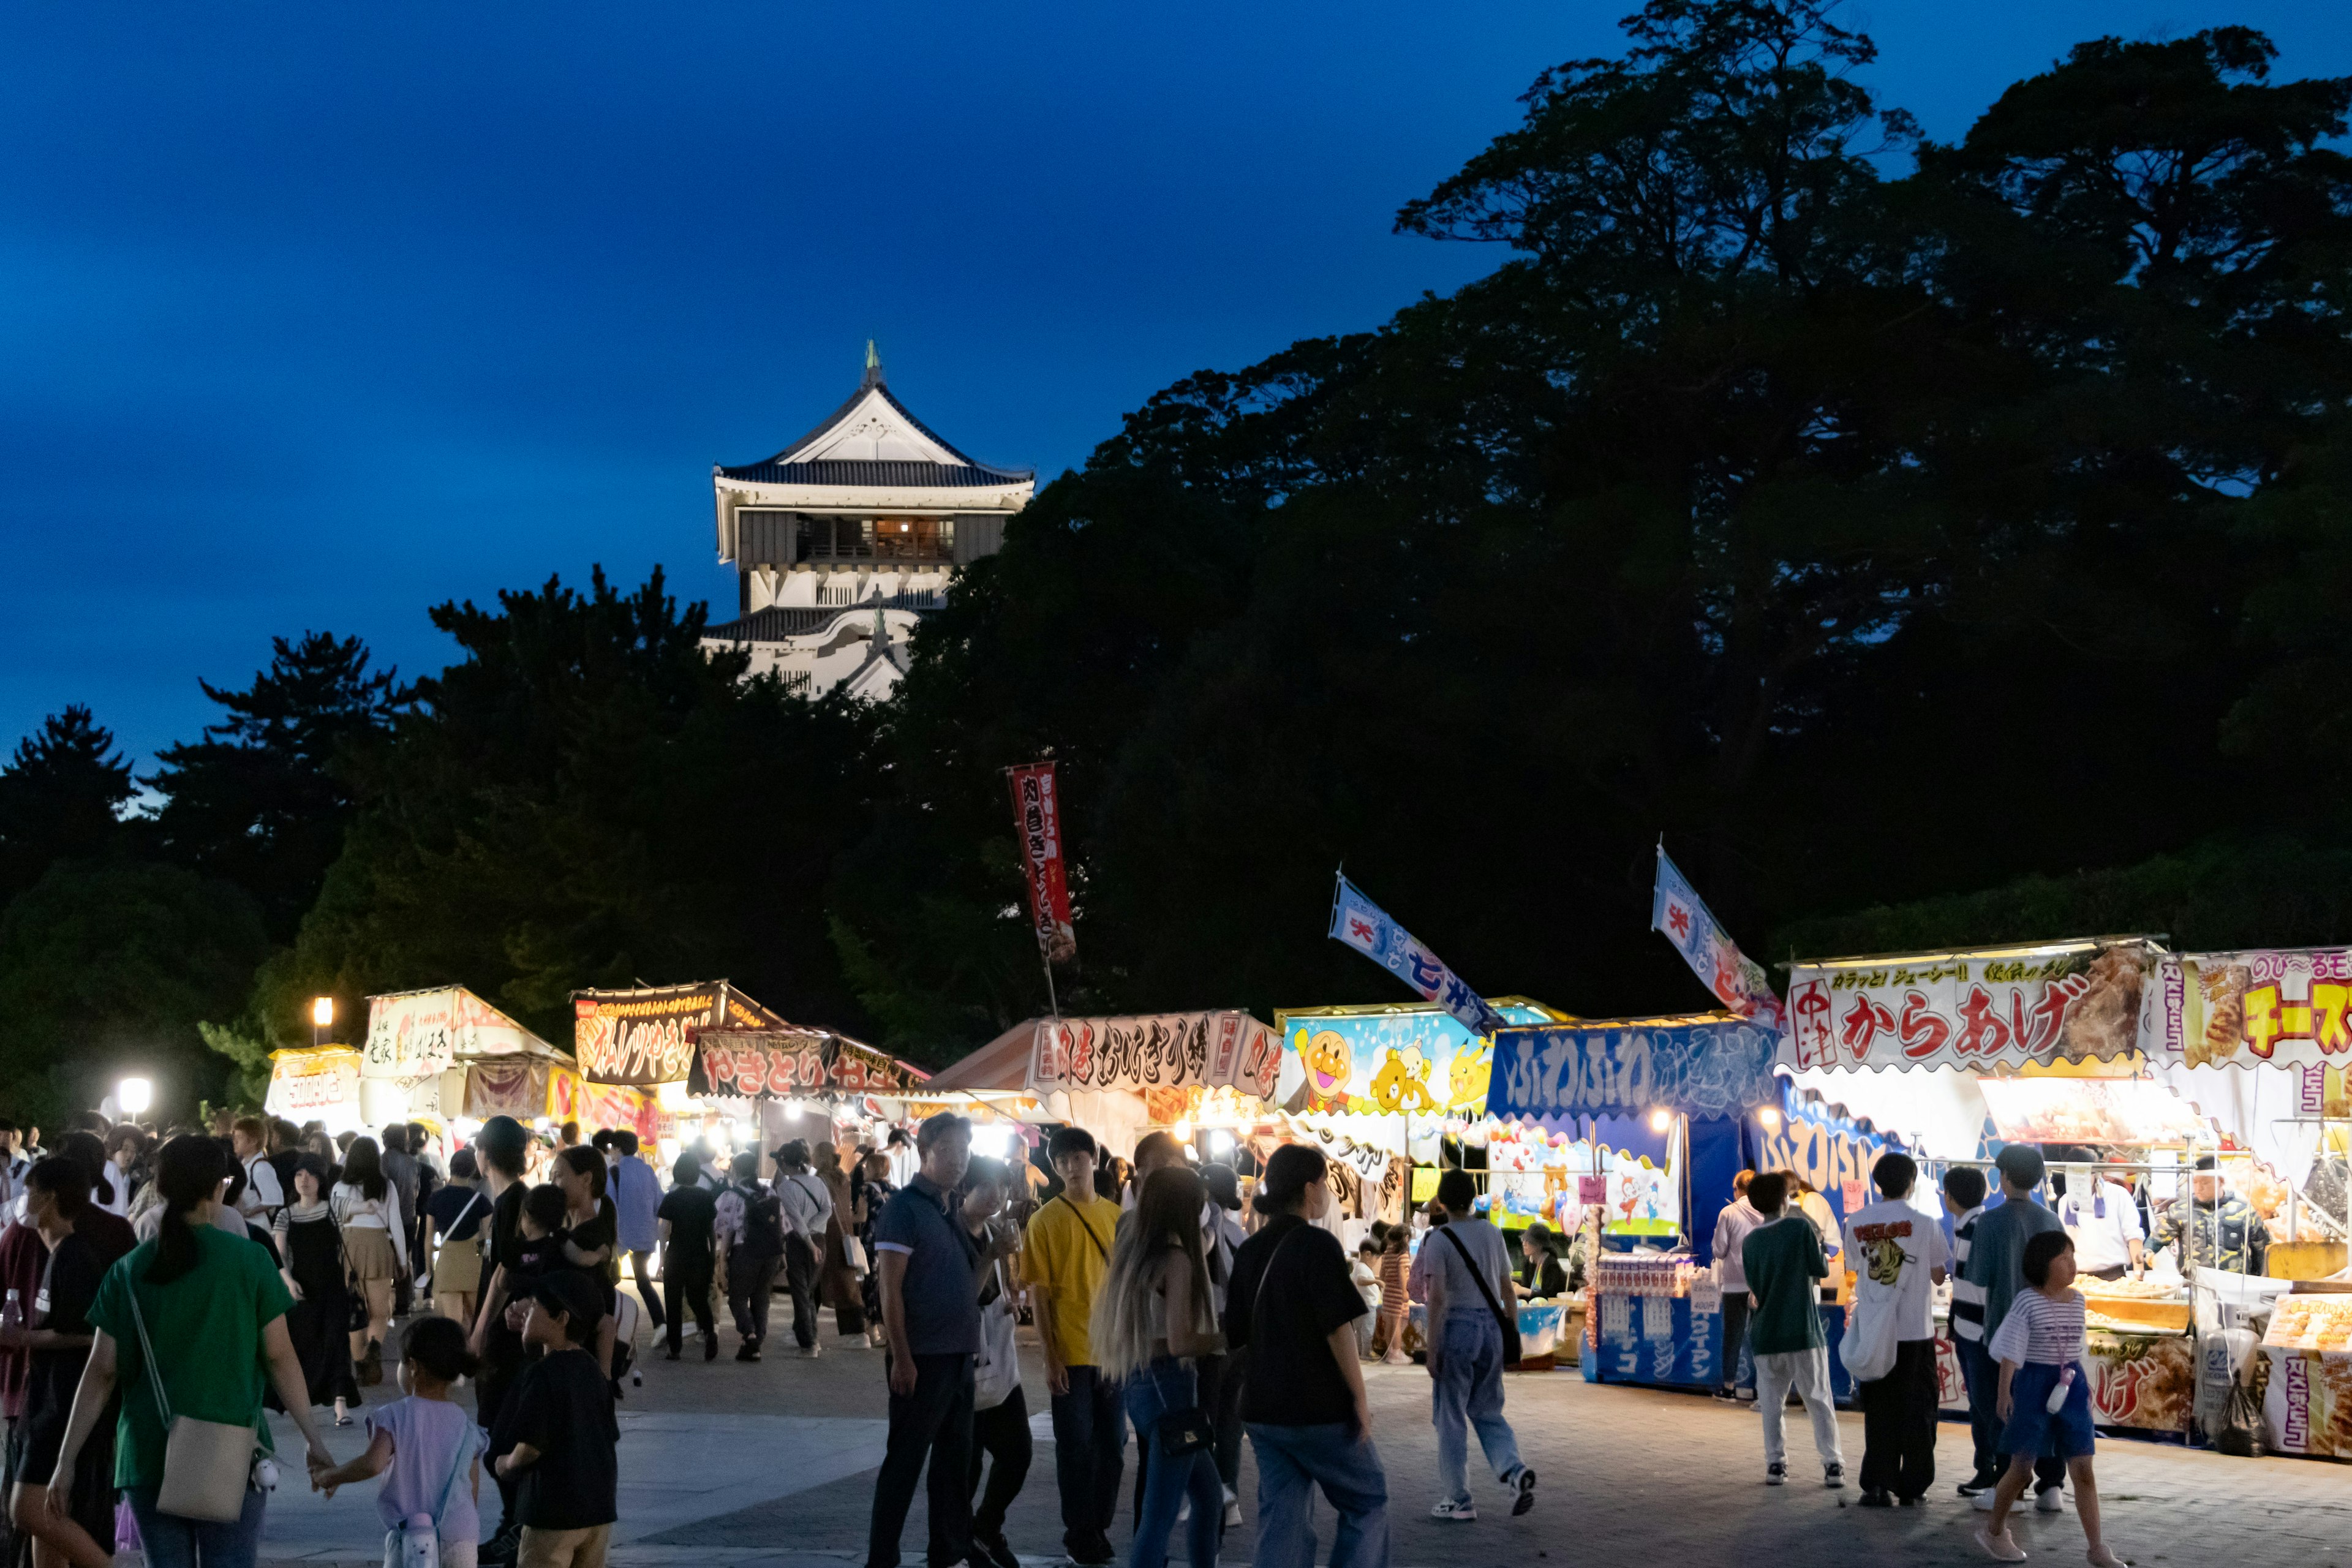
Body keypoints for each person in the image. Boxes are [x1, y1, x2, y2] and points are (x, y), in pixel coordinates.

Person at [48, 1135, 336, 1568]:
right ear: (219, 1188)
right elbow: (279, 1356)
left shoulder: (128, 1272)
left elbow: (101, 1372)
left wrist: (65, 1462)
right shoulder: (250, 1261)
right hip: (233, 1449)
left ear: (161, 1188)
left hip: (149, 1454)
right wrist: (314, 1439)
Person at [1224, 1144, 1385, 1568]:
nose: (1328, 1193)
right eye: (1327, 1184)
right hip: (1318, 1408)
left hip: (1262, 1410)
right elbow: (1338, 1329)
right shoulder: (1318, 1245)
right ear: (1311, 1187)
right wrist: (1361, 1399)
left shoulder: (1249, 1250)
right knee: (1367, 1500)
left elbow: (1236, 1333)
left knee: (1284, 1517)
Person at [1093, 1166, 1224, 1568]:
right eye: (1198, 1205)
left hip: (1143, 1386)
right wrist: (1228, 1338)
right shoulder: (1176, 1258)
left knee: (1208, 1497)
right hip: (1172, 1392)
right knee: (1161, 1515)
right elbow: (1183, 1340)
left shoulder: (1135, 1248)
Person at [6, 1158, 132, 1568]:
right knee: (49, 1523)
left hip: (64, 1402)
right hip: (45, 1397)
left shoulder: (75, 1256)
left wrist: (22, 1338)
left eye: (31, 1191)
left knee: (26, 1509)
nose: (25, 1199)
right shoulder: (55, 1253)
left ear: (50, 1197)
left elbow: (91, 1332)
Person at [867, 1112, 980, 1568]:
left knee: (955, 1464)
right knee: (906, 1461)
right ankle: (882, 1556)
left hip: (959, 1355)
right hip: (923, 1357)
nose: (958, 1161)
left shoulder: (950, 1207)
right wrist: (901, 1357)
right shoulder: (904, 1208)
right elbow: (889, 1289)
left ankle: (947, 1550)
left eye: (964, 1152)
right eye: (947, 1152)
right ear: (924, 1152)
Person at [1974, 1233, 2125, 1567]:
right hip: (2033, 1386)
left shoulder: (2079, 1300)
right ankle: (1995, 1531)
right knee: (2021, 1468)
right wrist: (2004, 1395)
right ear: (2043, 1265)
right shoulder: (2027, 1301)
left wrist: (2083, 1393)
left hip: (2070, 1385)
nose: (2072, 1264)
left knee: (2083, 1467)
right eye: (2063, 1258)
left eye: (2073, 1255)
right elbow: (2010, 1352)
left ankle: (2097, 1548)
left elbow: (2077, 1350)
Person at [1022, 1126, 1125, 1568]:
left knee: (1114, 1448)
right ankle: (1079, 1532)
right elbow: (1039, 1295)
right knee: (1075, 1447)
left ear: (1094, 1160)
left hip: (1114, 1352)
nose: (1070, 1167)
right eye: (1061, 1161)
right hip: (1072, 1353)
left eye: (1077, 1158)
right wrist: (1050, 1355)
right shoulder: (1043, 1221)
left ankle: (1097, 1526)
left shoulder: (1117, 1217)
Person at [314, 1316, 486, 1568]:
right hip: (461, 1539)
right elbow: (471, 1493)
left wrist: (332, 1476)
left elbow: (372, 1465)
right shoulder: (466, 1426)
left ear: (413, 1367)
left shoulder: (395, 1416)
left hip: (412, 1540)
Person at [1420, 1170, 1532, 1521]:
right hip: (1491, 1328)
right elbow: (1507, 1288)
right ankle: (1514, 1471)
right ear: (1474, 1199)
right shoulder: (1492, 1232)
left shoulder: (1438, 1240)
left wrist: (1432, 1346)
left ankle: (1459, 1499)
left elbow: (1437, 1298)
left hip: (1457, 1329)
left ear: (1441, 1202)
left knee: (1450, 1415)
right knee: (1487, 1409)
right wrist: (1511, 1334)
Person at [1840, 1152, 1949, 1508]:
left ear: (1878, 1183)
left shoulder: (1855, 1222)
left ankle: (1876, 1484)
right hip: (1915, 1334)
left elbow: (1857, 1267)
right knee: (1918, 1410)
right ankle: (1913, 1486)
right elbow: (1938, 1274)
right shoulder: (1926, 1223)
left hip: (1875, 1332)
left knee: (1880, 1410)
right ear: (1912, 1183)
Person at [1965, 1145, 2067, 1515]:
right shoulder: (2052, 1221)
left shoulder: (1990, 1222)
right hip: (2047, 1335)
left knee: (2004, 1411)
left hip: (2004, 1335)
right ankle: (2051, 1486)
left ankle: (2009, 1488)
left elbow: (1977, 1277)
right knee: (2046, 1412)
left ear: (2004, 1177)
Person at [493, 1273, 620, 1568]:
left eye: (535, 1306)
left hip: (553, 1511)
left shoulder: (543, 1373)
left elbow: (531, 1447)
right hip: (598, 1511)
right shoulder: (593, 1370)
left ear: (561, 1318)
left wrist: (507, 1464)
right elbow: (607, 1436)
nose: (526, 1312)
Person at [1740, 1171, 1845, 1489]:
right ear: (1785, 1198)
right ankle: (1833, 1466)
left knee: (1772, 1403)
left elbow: (1756, 1287)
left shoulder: (1750, 1241)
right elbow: (1821, 1267)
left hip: (1766, 1333)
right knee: (1819, 1399)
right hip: (1802, 1330)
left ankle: (1776, 1465)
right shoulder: (1800, 1227)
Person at [466, 1117, 535, 1568]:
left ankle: (517, 1526)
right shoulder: (515, 1200)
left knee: (498, 1437)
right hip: (512, 1336)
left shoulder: (512, 1202)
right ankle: (516, 1525)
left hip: (507, 1340)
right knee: (499, 1433)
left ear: (483, 1155)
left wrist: (479, 1329)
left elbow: (505, 1273)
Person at [963, 1158, 1029, 1568]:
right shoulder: (954, 1235)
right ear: (964, 1190)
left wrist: (1010, 1301)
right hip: (963, 1373)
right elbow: (959, 1301)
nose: (996, 1195)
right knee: (965, 1469)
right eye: (985, 1186)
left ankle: (985, 1527)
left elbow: (990, 1294)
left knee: (1018, 1454)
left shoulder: (993, 1232)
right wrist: (990, 1254)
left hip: (1002, 1369)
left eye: (1002, 1187)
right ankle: (960, 1541)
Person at [272, 1155, 364, 1427]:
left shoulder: (332, 1207)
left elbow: (357, 1207)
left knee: (337, 1343)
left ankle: (340, 1405)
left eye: (310, 1175)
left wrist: (370, 1206)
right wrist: (289, 1283)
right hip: (302, 1289)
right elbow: (279, 1255)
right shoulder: (285, 1214)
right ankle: (301, 1404)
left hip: (333, 1287)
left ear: (321, 1180)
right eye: (299, 1175)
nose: (304, 1180)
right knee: (304, 1345)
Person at [1941, 1166, 1999, 1496]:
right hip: (1968, 1329)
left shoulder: (1979, 1228)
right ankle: (1987, 1470)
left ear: (1950, 1196)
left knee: (1986, 1404)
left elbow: (1983, 1286)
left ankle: (1994, 1474)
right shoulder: (1966, 1226)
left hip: (1979, 1332)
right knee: (1980, 1405)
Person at [1197, 1161, 1250, 1525]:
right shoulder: (1239, 1235)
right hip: (1238, 1340)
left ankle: (1205, 1494)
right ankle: (1228, 1497)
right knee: (1231, 1422)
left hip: (1211, 1339)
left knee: (1206, 1420)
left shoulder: (1202, 1234)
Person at [334, 1136, 409, 1385]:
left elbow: (333, 1222)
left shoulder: (339, 1187)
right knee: (379, 1311)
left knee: (355, 1308)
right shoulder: (386, 1186)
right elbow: (396, 1223)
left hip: (350, 1245)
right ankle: (373, 1350)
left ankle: (359, 1364)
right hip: (378, 1244)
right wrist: (402, 1259)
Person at [551, 1146, 622, 1379]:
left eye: (559, 1176)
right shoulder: (566, 1224)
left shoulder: (591, 1232)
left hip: (583, 1328)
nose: (553, 1184)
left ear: (586, 1179)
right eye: (551, 1177)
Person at [715, 1152, 785, 1362]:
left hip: (746, 1252)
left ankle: (750, 1334)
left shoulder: (733, 1195)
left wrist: (722, 1259)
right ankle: (754, 1345)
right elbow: (782, 1226)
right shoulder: (770, 1192)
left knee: (737, 1298)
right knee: (761, 1298)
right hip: (771, 1253)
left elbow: (726, 1230)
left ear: (736, 1170)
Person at [2152, 1155, 2271, 1276]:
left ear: (2221, 1181)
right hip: (2195, 1284)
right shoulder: (2181, 1210)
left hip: (2234, 1285)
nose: (2199, 1188)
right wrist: (2146, 1252)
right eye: (2195, 1182)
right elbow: (2156, 1240)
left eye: (2205, 1183)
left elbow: (2261, 1247)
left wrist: (2254, 1278)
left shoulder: (2243, 1211)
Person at [772, 1140, 834, 1357]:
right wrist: (814, 1230)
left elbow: (796, 1221)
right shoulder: (818, 1183)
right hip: (821, 1241)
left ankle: (809, 1344)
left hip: (800, 1244)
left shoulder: (786, 1188)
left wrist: (807, 1239)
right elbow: (828, 1210)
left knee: (801, 1293)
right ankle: (811, 1337)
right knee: (808, 1291)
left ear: (784, 1163)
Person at [657, 1153, 720, 1361]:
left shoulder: (672, 1198)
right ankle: (710, 1333)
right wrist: (712, 1256)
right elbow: (711, 1231)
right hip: (700, 1254)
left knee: (673, 1301)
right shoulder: (705, 1197)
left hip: (676, 1254)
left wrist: (662, 1259)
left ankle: (675, 1349)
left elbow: (664, 1231)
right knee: (698, 1299)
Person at [1711, 1170, 1765, 1401]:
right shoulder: (1767, 1213)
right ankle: (1761, 1389)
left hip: (1734, 1284)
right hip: (1760, 1284)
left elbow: (1719, 1249)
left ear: (1739, 1189)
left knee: (1732, 1336)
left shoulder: (1728, 1212)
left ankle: (1729, 1387)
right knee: (1760, 1337)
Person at [424, 1148, 492, 1327]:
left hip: (447, 1262)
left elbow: (428, 1238)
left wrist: (429, 1269)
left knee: (452, 1323)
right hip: (473, 1262)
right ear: (472, 1171)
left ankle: (456, 1354)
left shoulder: (436, 1198)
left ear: (451, 1168)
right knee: (473, 1321)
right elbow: (489, 1237)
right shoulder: (481, 1200)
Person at [606, 1131, 665, 1338]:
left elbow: (609, 1206)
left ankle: (609, 1326)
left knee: (608, 1281)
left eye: (613, 1147)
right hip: (645, 1235)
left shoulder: (614, 1172)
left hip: (620, 1235)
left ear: (619, 1149)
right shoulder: (648, 1170)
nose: (611, 1151)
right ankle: (660, 1323)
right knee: (643, 1282)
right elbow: (660, 1203)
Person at [813, 1141, 869, 1343]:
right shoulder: (844, 1178)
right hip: (845, 1234)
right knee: (847, 1283)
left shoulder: (820, 1179)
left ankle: (806, 1330)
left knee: (815, 1280)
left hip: (826, 1233)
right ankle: (856, 1333)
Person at [2060, 1163, 2146, 1281]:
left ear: (2095, 1174)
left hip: (2113, 1275)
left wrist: (2139, 1273)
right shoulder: (2065, 1201)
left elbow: (2134, 1235)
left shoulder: (2119, 1194)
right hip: (2078, 1277)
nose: (2079, 1180)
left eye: (2084, 1175)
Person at [380, 1124, 422, 1315]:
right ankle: (404, 1306)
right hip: (409, 1216)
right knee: (404, 1258)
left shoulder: (385, 1159)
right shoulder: (413, 1161)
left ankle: (382, 1304)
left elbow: (381, 1189)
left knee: (385, 1259)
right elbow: (416, 1190)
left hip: (388, 1217)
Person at [230, 1116, 284, 1229]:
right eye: (235, 1137)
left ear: (253, 1141)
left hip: (259, 1226)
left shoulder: (261, 1167)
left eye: (240, 1137)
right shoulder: (244, 1163)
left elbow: (274, 1199)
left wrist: (249, 1212)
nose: (235, 1141)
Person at [1373, 1225, 1410, 1365]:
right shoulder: (1402, 1253)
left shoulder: (1388, 1252)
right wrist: (1405, 1291)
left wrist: (1385, 1283)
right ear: (1406, 1238)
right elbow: (1402, 1274)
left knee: (1389, 1322)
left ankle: (1390, 1353)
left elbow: (1382, 1273)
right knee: (1397, 1324)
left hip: (1388, 1292)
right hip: (1399, 1293)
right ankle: (1397, 1352)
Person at [1512, 1223, 1567, 1299]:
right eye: (1523, 1240)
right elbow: (1525, 1289)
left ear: (1540, 1244)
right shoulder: (1527, 1263)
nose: (1524, 1244)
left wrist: (1524, 1291)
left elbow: (1550, 1295)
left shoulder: (1551, 1264)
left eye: (1528, 1241)